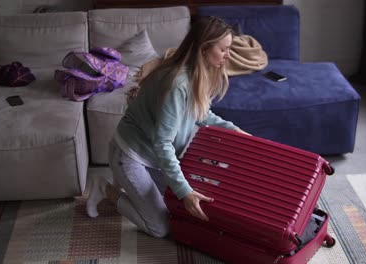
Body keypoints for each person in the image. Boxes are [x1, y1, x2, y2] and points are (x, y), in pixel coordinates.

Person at [86, 16, 249, 238]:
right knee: (160, 227)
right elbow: (163, 143)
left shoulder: (197, 74)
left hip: (152, 155)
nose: (228, 55)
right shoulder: (178, 84)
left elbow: (202, 113)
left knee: (180, 204)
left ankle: (128, 186)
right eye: (224, 49)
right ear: (203, 49)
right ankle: (105, 189)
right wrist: (184, 192)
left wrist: (233, 129)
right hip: (130, 154)